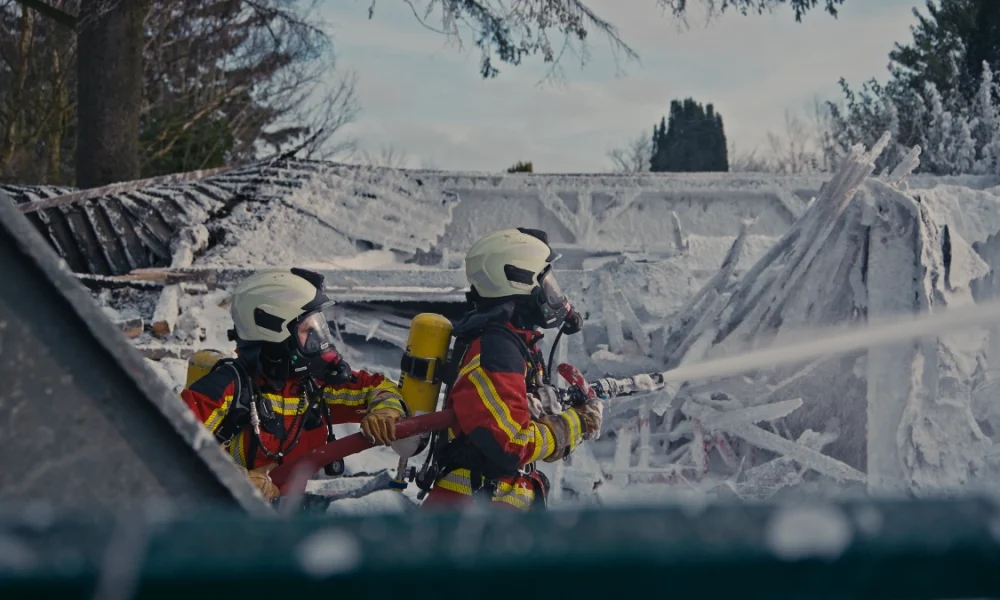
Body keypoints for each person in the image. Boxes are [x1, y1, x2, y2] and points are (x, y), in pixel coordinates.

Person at [182, 267, 407, 502]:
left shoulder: (311, 386)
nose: (318, 340)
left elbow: (379, 386)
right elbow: (170, 447)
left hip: (285, 519)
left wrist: (386, 410)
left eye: (318, 328)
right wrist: (237, 479)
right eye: (307, 330)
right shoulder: (225, 390)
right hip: (225, 520)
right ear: (274, 332)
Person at [419, 228, 604, 510]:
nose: (555, 295)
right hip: (473, 520)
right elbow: (511, 444)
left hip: (485, 515)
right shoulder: (496, 351)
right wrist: (576, 423)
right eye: (547, 283)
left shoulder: (512, 344)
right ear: (518, 281)